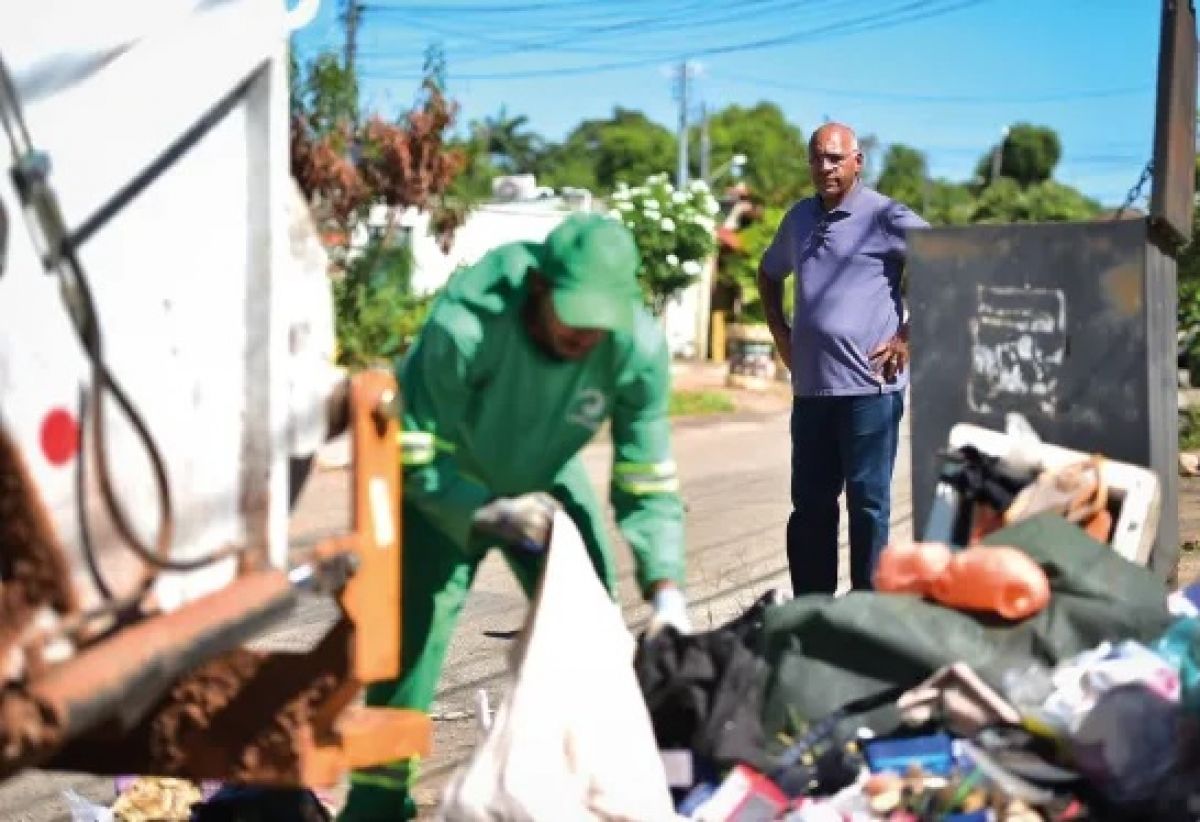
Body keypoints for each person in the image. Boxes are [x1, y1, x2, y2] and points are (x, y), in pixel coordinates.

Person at [340, 213, 691, 821]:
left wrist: (666, 592)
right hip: (446, 491)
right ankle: (376, 803)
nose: (585, 338)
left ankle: (587, 793)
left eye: (599, 325)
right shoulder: (466, 324)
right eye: (573, 318)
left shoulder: (635, 345)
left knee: (591, 638)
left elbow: (647, 474)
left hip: (547, 480)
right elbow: (416, 447)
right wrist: (479, 510)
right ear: (538, 289)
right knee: (409, 651)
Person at [756, 122, 928, 596]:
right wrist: (780, 331)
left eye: (835, 158)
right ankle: (815, 613)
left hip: (870, 391)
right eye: (817, 158)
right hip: (812, 390)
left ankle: (866, 612)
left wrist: (907, 337)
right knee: (810, 507)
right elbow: (769, 273)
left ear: (857, 162)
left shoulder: (885, 216)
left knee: (869, 505)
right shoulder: (798, 219)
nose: (825, 167)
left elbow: (945, 260)